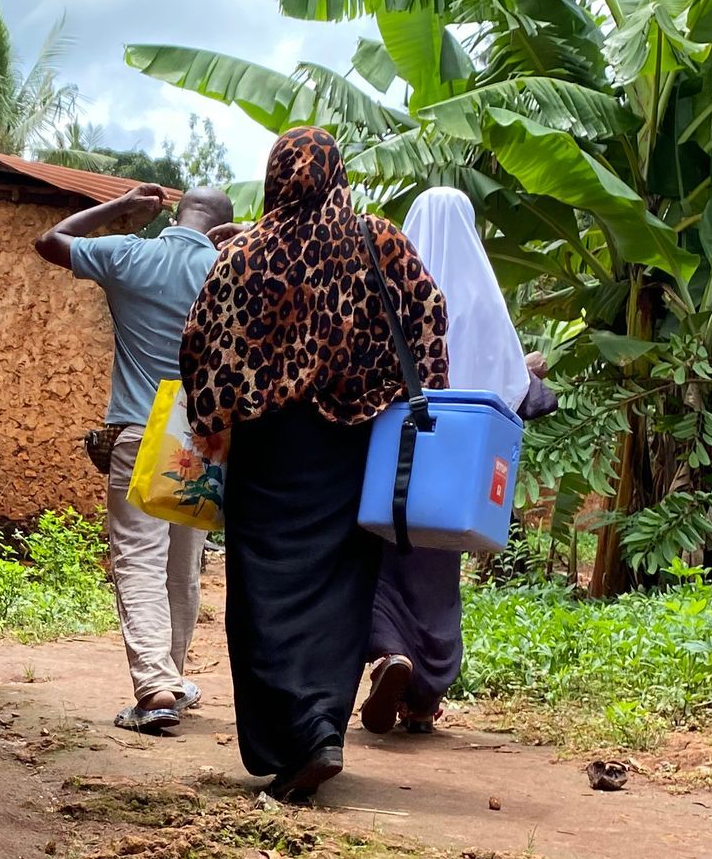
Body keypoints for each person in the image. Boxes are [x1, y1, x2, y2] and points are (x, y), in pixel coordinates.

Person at [179, 127, 446, 801]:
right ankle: (323, 726)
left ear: (274, 178)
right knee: (339, 591)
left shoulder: (243, 253)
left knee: (263, 597)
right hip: (352, 444)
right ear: (337, 175)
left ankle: (298, 736)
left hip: (269, 451)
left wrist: (210, 423)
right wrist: (410, 392)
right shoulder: (376, 240)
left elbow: (202, 340)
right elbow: (429, 311)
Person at [35, 180, 237, 732]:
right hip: (201, 436)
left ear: (175, 213)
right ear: (222, 224)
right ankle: (168, 676)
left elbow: (51, 240)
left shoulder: (130, 253)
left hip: (140, 427)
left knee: (138, 560)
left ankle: (155, 686)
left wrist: (120, 209)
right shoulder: (231, 272)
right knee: (182, 566)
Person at [361, 186, 528, 738]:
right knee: (439, 569)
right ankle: (423, 699)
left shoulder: (394, 282)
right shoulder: (483, 295)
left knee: (384, 556)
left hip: (396, 449)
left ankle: (387, 654)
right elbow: (512, 383)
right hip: (460, 463)